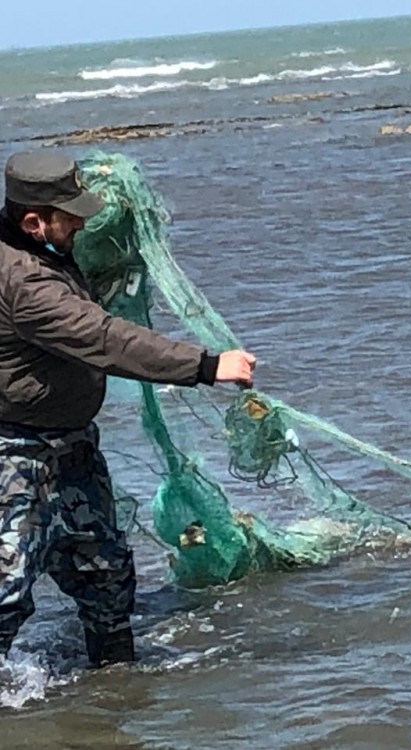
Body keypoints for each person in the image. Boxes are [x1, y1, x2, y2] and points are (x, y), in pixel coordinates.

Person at [0, 150, 256, 667]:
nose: (81, 224)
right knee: (5, 592)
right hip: (15, 458)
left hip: (70, 448)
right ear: (32, 222)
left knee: (107, 576)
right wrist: (207, 365)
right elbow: (104, 339)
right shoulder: (24, 282)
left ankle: (115, 695)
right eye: (69, 216)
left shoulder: (39, 247)